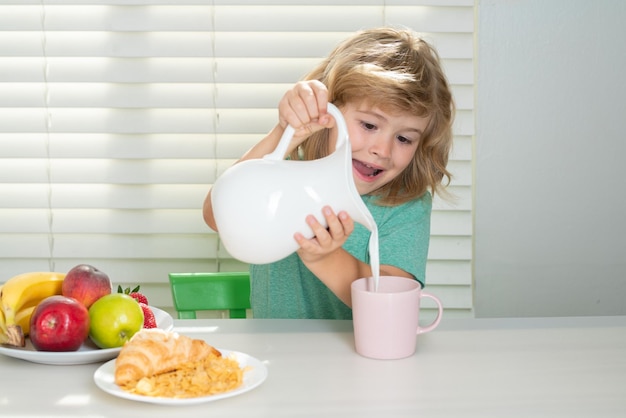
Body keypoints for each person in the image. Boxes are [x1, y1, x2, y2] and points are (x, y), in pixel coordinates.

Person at [203, 26, 454, 319]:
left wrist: (325, 257)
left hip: (358, 360)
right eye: (370, 126)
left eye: (404, 139)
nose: (382, 150)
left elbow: (392, 307)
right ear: (330, 111)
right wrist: (286, 132)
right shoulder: (284, 173)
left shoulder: (404, 205)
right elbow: (216, 216)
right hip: (276, 353)